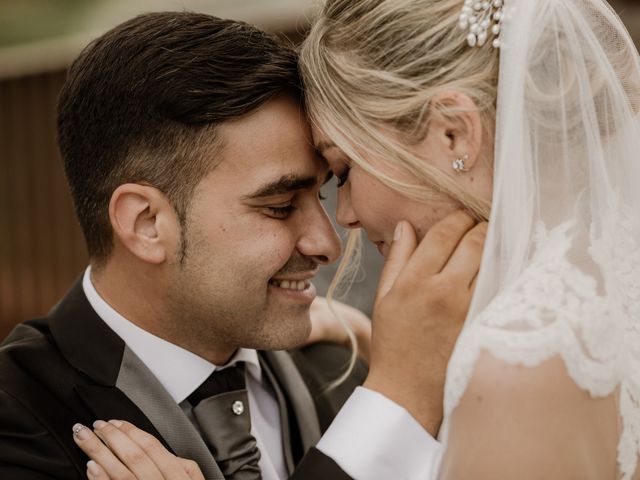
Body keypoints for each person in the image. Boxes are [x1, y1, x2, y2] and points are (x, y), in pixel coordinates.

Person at [76, 0, 640, 478]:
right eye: (278, 205)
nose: (337, 224)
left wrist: (400, 384)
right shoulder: (600, 297)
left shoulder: (517, 360)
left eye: (341, 173)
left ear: (454, 133)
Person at [0, 11, 487, 480]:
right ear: (147, 222)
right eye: (278, 206)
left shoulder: (340, 365)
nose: (327, 244)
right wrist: (397, 399)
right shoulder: (17, 418)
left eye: (322, 192)